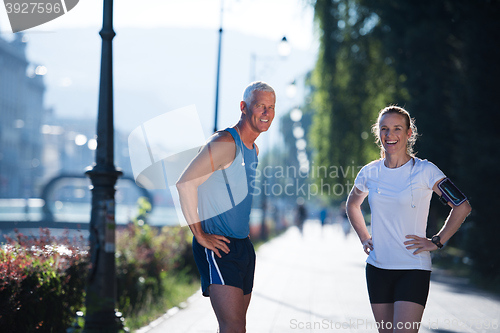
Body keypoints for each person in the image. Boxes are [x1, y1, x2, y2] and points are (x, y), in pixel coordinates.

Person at [346, 106, 471, 333]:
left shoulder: (426, 171)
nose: (389, 135)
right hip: (377, 268)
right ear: (378, 133)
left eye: (397, 129)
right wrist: (364, 237)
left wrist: (437, 241)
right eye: (384, 129)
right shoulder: (369, 172)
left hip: (413, 269)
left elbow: (462, 206)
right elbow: (352, 204)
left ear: (408, 133)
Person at [176, 81, 276, 333]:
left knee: (237, 327)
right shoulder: (225, 143)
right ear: (243, 107)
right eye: (260, 106)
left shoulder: (253, 148)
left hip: (242, 246)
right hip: (219, 247)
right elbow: (186, 184)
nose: (266, 113)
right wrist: (199, 235)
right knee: (232, 327)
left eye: (271, 107)